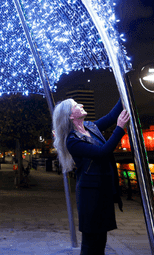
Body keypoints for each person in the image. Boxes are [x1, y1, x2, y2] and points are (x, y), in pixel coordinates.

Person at [52, 98, 130, 255]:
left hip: (103, 192)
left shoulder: (90, 127)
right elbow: (102, 153)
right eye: (76, 105)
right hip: (90, 196)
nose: (81, 105)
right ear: (70, 116)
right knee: (90, 243)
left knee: (101, 240)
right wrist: (120, 128)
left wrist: (124, 93)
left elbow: (110, 117)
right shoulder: (72, 141)